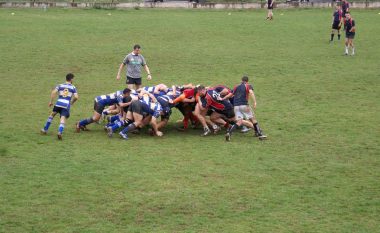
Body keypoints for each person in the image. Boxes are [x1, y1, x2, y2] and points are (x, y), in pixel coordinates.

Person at [40, 73, 79, 140]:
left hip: (58, 103)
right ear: (71, 79)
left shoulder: (60, 85)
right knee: (63, 119)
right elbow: (76, 97)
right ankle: (59, 132)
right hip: (66, 104)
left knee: (52, 115)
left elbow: (53, 92)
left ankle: (44, 129)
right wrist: (71, 102)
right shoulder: (73, 87)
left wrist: (51, 102)